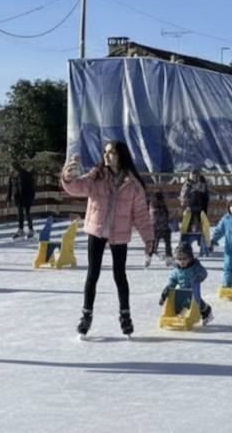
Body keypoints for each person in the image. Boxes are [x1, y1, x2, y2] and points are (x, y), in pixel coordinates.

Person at [61, 141, 154, 337]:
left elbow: (141, 215)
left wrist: (148, 239)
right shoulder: (97, 176)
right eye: (105, 152)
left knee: (120, 276)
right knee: (92, 275)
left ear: (121, 155)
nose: (107, 155)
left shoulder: (133, 184)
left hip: (119, 234)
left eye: (111, 152)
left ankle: (125, 316)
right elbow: (77, 187)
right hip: (96, 231)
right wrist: (68, 176)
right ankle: (86, 316)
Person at [158, 241, 213, 325]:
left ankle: (206, 312)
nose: (182, 262)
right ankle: (179, 314)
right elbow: (172, 279)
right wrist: (168, 287)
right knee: (180, 301)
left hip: (194, 291)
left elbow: (203, 272)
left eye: (184, 259)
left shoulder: (195, 266)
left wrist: (199, 277)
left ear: (190, 258)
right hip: (182, 291)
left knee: (196, 303)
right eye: (179, 259)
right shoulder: (177, 270)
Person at [6, 162, 36, 240]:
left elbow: (31, 186)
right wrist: (9, 199)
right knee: (20, 214)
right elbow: (10, 188)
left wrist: (31, 197)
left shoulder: (26, 175)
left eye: (12, 168)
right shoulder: (12, 176)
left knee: (27, 213)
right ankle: (21, 229)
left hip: (26, 197)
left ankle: (30, 229)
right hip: (18, 198)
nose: (11, 170)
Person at [148, 191, 173, 267]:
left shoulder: (151, 205)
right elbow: (166, 217)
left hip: (154, 229)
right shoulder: (162, 206)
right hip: (162, 229)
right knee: (167, 241)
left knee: (152, 244)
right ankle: (168, 257)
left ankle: (148, 258)